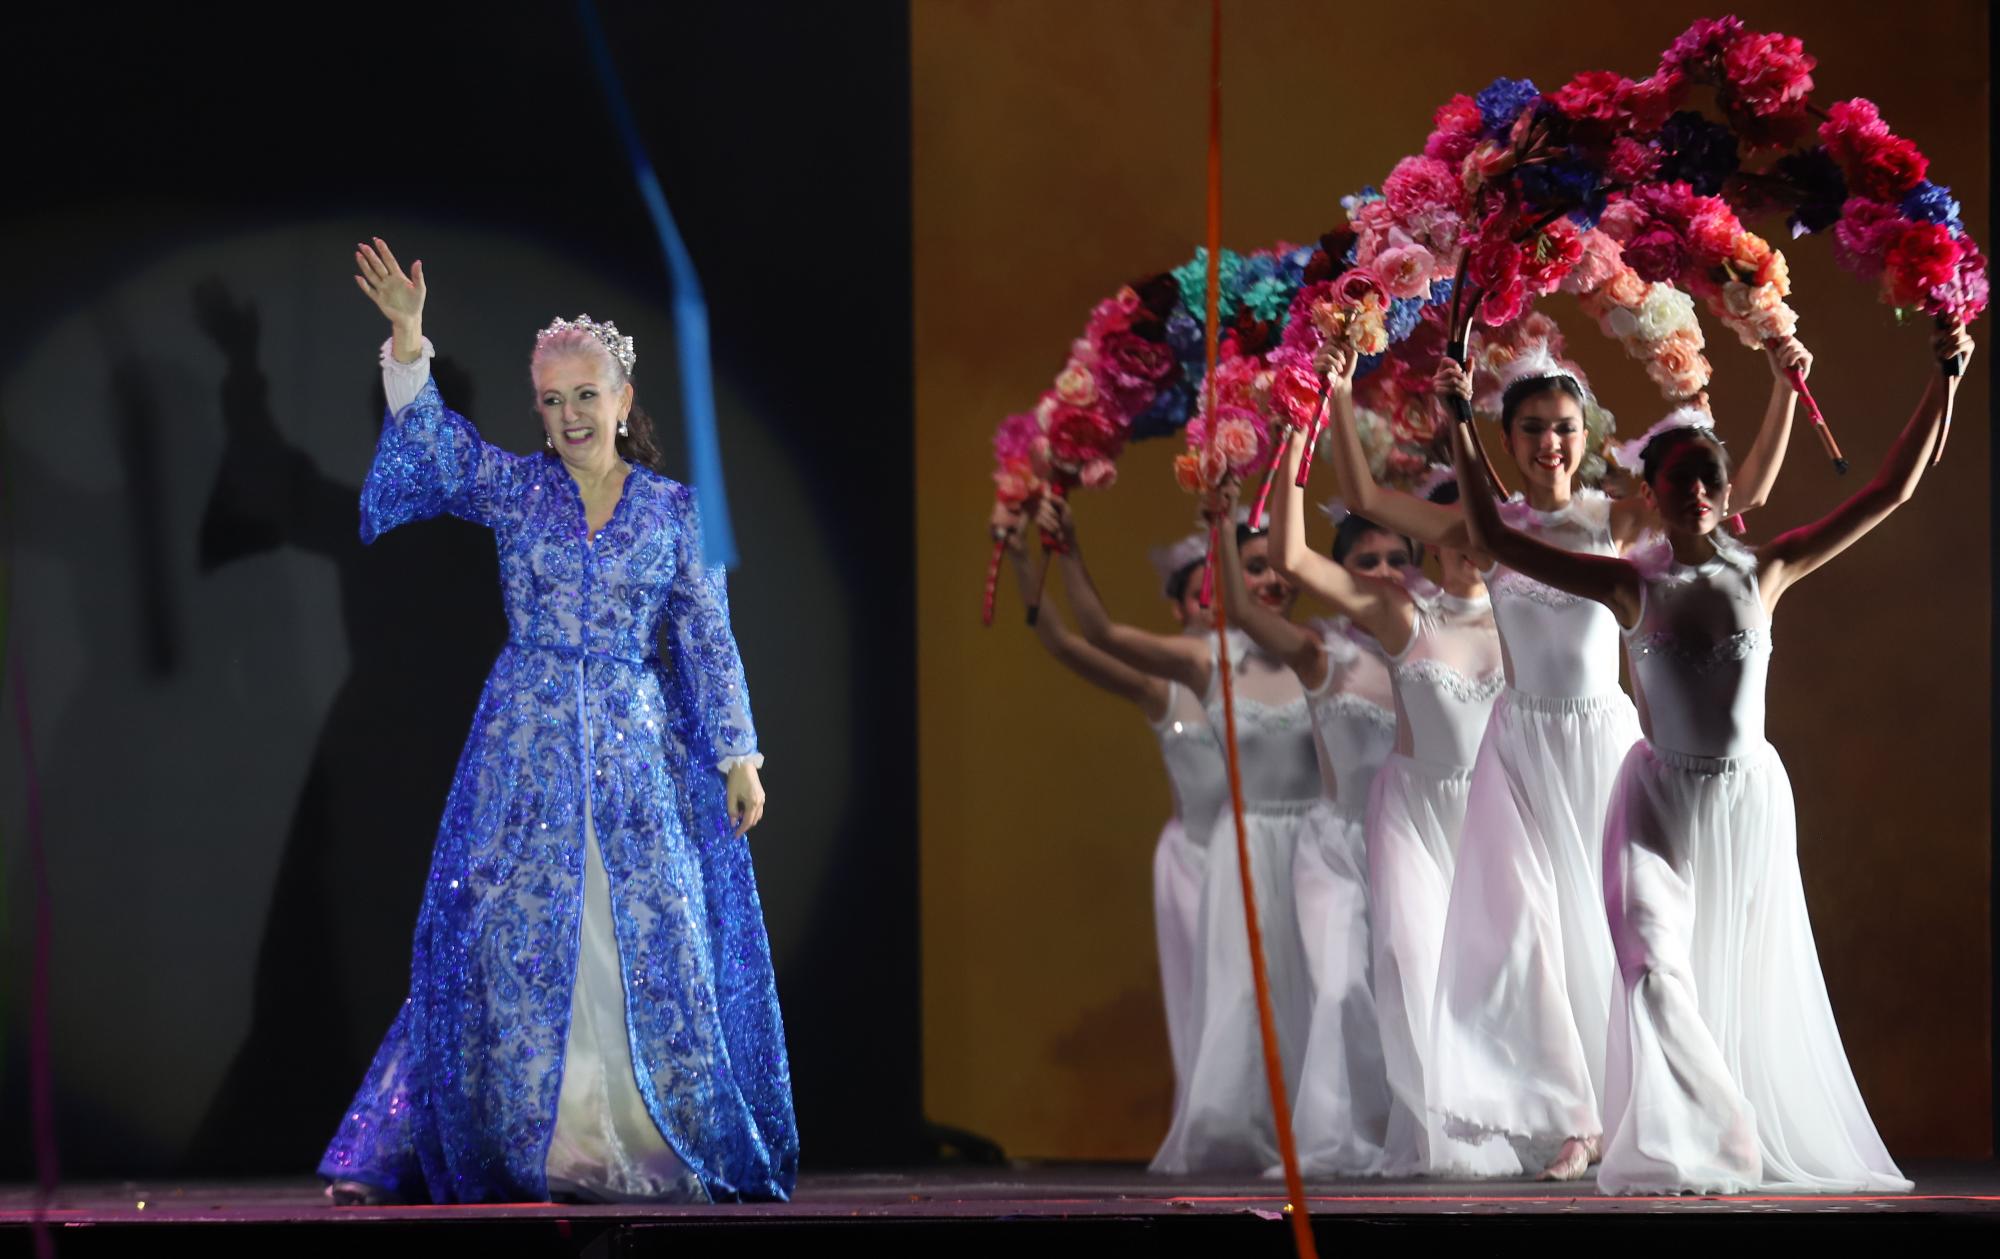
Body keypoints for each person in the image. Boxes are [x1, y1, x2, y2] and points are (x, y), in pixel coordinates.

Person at [1448, 317, 1970, 1194]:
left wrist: (1946, 385)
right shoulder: (1627, 583)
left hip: (1744, 800)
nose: (1692, 490)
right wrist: (1460, 418)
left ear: (1728, 494)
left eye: (1707, 478)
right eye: (1676, 477)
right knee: (1649, 964)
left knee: (1730, 974)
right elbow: (1498, 542)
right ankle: (1714, 1138)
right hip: (1653, 800)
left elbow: (1890, 492)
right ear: (1648, 490)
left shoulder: (1766, 570)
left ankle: (1721, 1129)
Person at [321, 239, 794, 1205]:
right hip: (524, 744)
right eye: (553, 399)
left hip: (633, 749)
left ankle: (640, 1136)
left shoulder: (672, 513)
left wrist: (739, 753)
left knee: (644, 935)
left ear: (624, 400)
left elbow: (708, 638)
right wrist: (409, 339)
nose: (571, 415)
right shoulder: (519, 491)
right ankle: (496, 1145)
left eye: (587, 395)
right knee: (496, 935)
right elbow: (440, 452)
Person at [1319, 330, 1809, 1178]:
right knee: (1525, 934)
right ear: (1506, 441)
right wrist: (1336, 387)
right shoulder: (1484, 525)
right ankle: (1567, 1116)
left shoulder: (1617, 518)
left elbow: (1749, 491)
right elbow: (1361, 491)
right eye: (1534, 427)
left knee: (1609, 928)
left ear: (1585, 435)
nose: (1551, 441)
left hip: (1603, 740)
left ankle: (1635, 1107)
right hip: (1518, 747)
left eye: (1564, 426)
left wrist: (1782, 385)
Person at [1051, 499, 1317, 1173]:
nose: (1268, 580)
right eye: (1250, 568)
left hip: (1315, 849)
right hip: (1243, 849)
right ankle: (1241, 1134)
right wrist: (1063, 553)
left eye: (1275, 566)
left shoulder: (1321, 655)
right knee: (1242, 999)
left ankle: (1319, 1129)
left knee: (1320, 993)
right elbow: (1098, 631)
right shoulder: (1207, 663)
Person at [993, 503, 1224, 1120]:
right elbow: (1066, 641)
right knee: (1214, 1004)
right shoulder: (1165, 688)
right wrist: (1027, 561)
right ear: (1178, 610)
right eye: (1202, 596)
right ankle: (1221, 1122)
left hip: (1267, 856)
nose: (1216, 606)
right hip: (1195, 863)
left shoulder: (1277, 669)